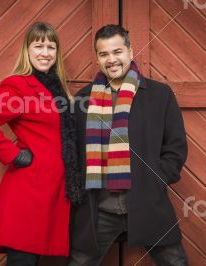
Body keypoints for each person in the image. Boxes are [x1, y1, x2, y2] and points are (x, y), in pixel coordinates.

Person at [69, 24, 189, 265]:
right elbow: (72, 151)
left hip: (147, 201)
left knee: (175, 262)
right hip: (99, 208)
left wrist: (155, 178)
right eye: (104, 54)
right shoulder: (83, 99)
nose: (111, 59)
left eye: (117, 51)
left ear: (131, 52)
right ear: (97, 58)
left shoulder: (159, 94)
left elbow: (176, 147)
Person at [0, 22, 82, 266]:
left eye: (51, 47)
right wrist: (14, 155)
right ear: (27, 50)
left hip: (55, 191)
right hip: (30, 191)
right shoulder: (19, 86)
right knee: (23, 260)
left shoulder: (56, 88)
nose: (45, 52)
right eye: (38, 45)